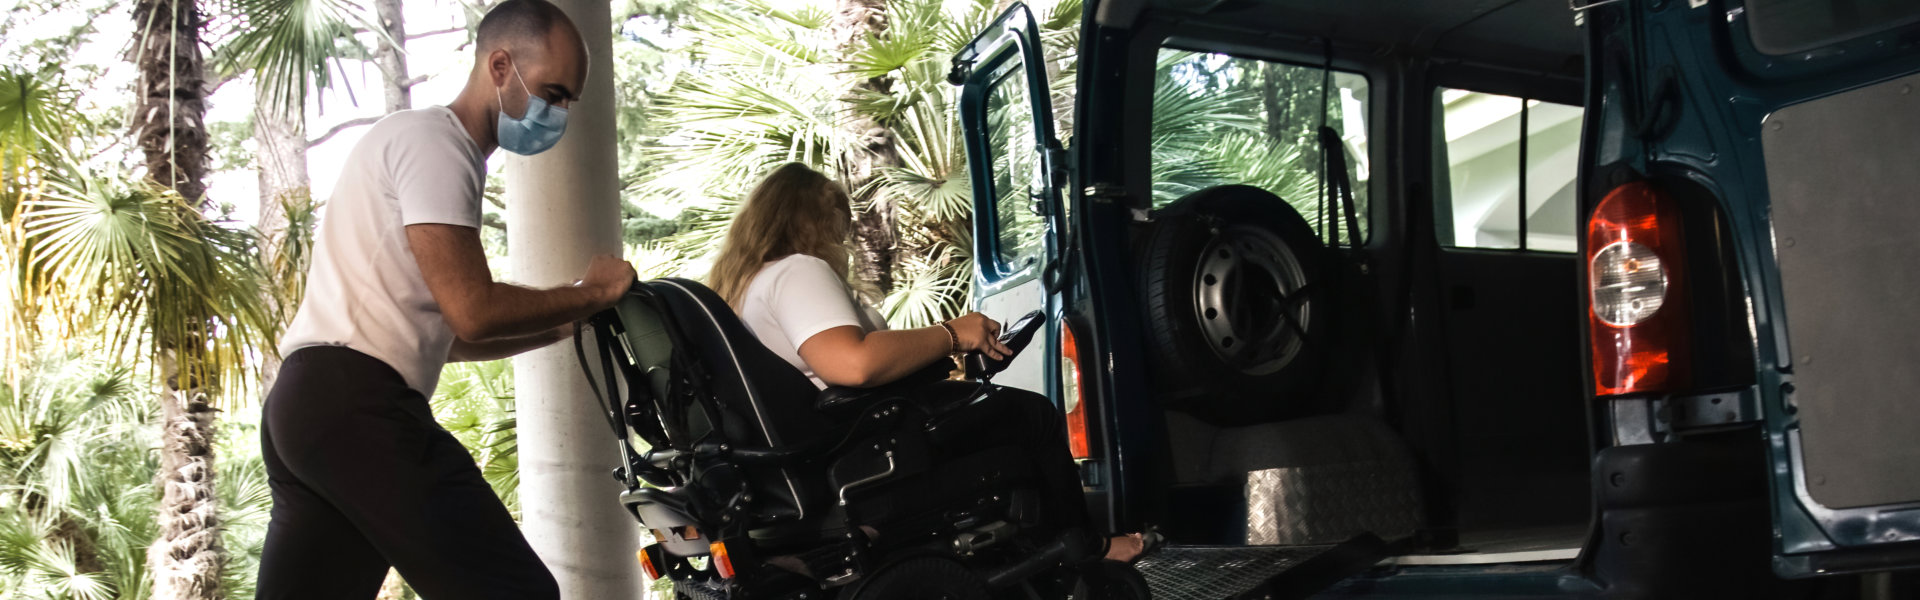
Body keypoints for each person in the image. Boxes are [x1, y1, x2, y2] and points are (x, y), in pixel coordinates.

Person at [255, 1, 636, 598]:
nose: (558, 113)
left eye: (567, 101)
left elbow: (452, 338)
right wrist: (590, 293)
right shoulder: (439, 144)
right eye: (553, 93)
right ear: (501, 65)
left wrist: (569, 321)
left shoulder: (419, 144)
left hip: (306, 408)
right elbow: (475, 311)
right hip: (356, 407)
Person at [706, 162, 1146, 563]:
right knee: (1034, 417)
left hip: (822, 447)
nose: (841, 237)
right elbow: (851, 364)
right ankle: (1088, 549)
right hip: (866, 444)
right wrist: (951, 334)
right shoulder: (797, 270)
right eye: (835, 221)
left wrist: (937, 351)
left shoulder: (744, 288)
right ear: (810, 220)